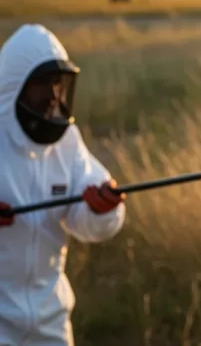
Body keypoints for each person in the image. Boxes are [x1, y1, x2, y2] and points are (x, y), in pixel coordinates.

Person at [0, 24, 126, 346]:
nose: (52, 95)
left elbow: (87, 211)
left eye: (57, 84)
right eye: (42, 84)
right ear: (14, 85)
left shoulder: (66, 141)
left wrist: (103, 209)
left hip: (50, 322)